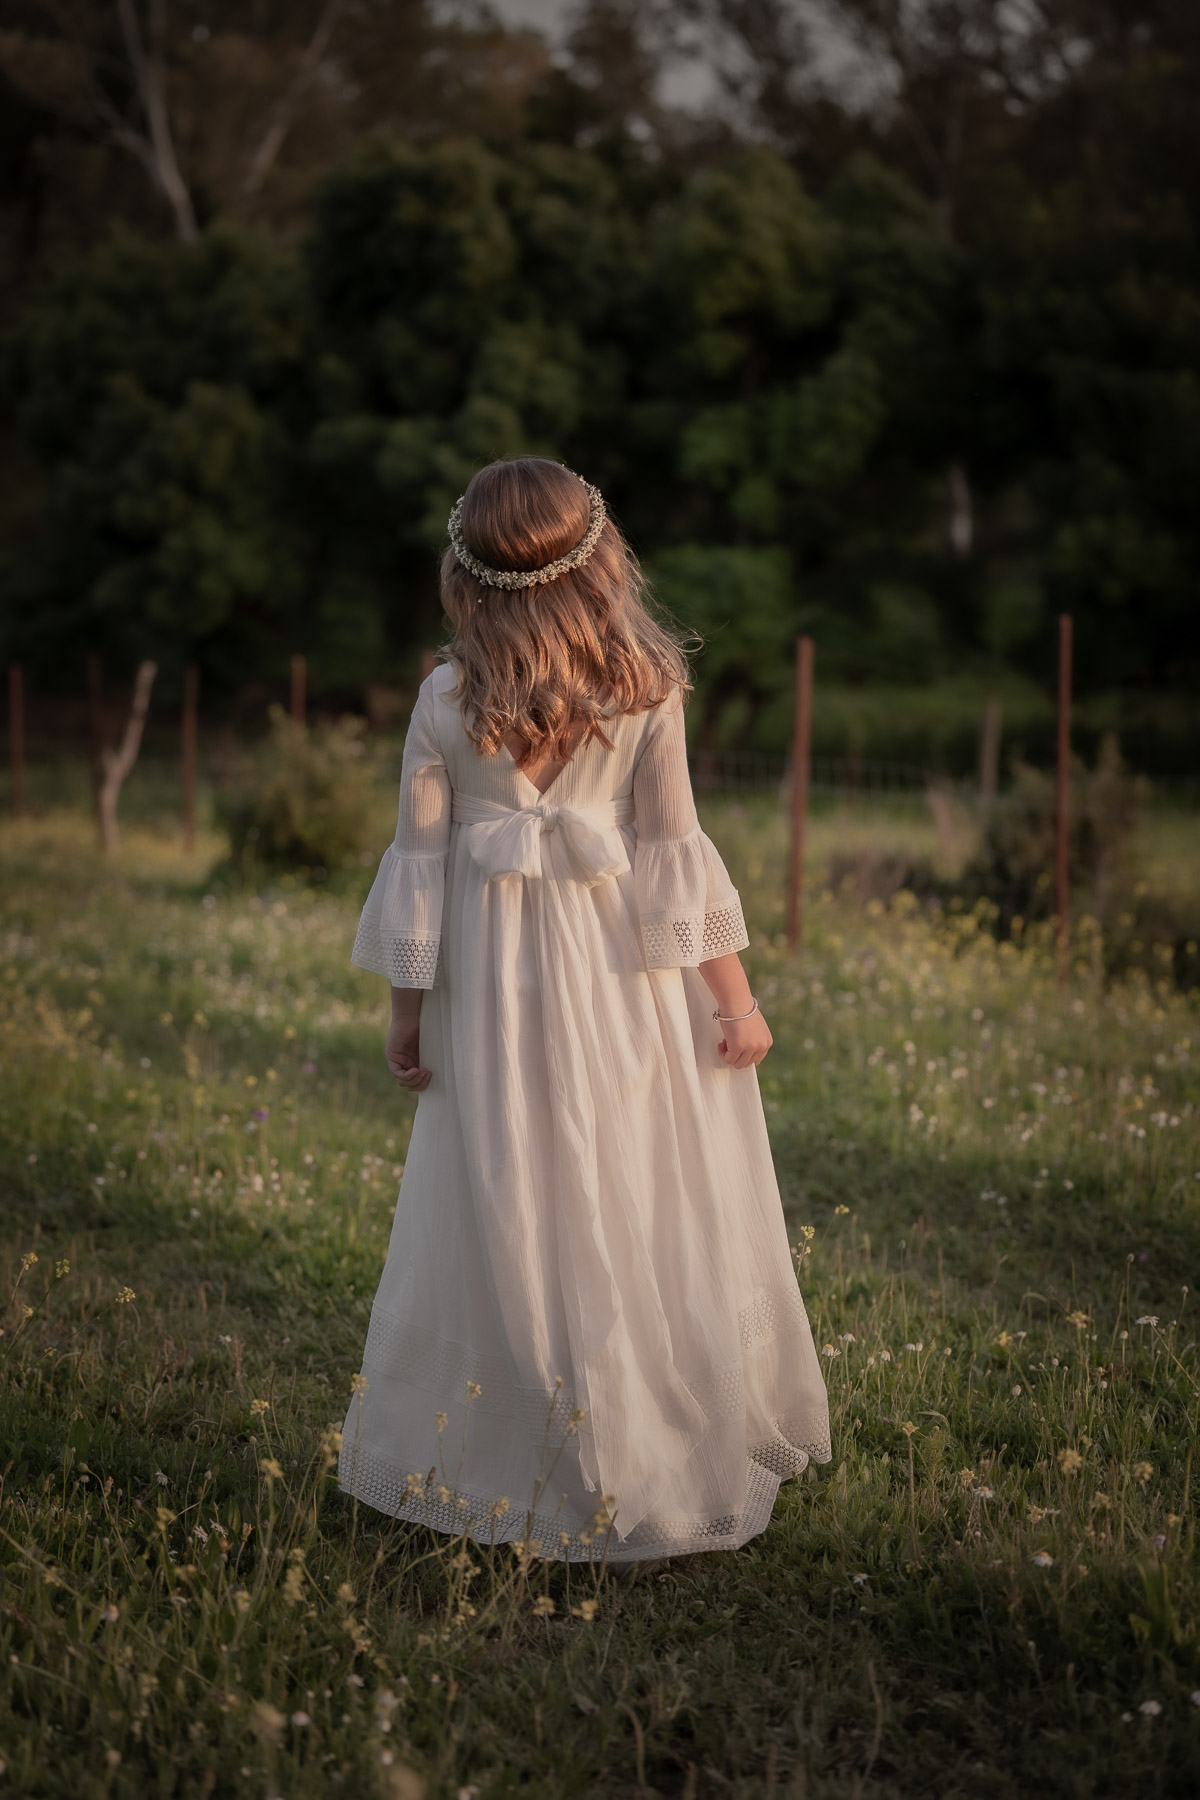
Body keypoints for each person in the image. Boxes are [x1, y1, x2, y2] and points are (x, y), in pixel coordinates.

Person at [339, 457, 830, 1566]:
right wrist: (734, 1002)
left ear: (466, 580)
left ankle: (529, 1450)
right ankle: (637, 1435)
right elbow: (671, 855)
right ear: (603, 560)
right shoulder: (648, 684)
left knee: (511, 1196)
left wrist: (406, 1016)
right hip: (629, 992)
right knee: (632, 1189)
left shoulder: (443, 700)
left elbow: (419, 869)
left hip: (497, 1002)